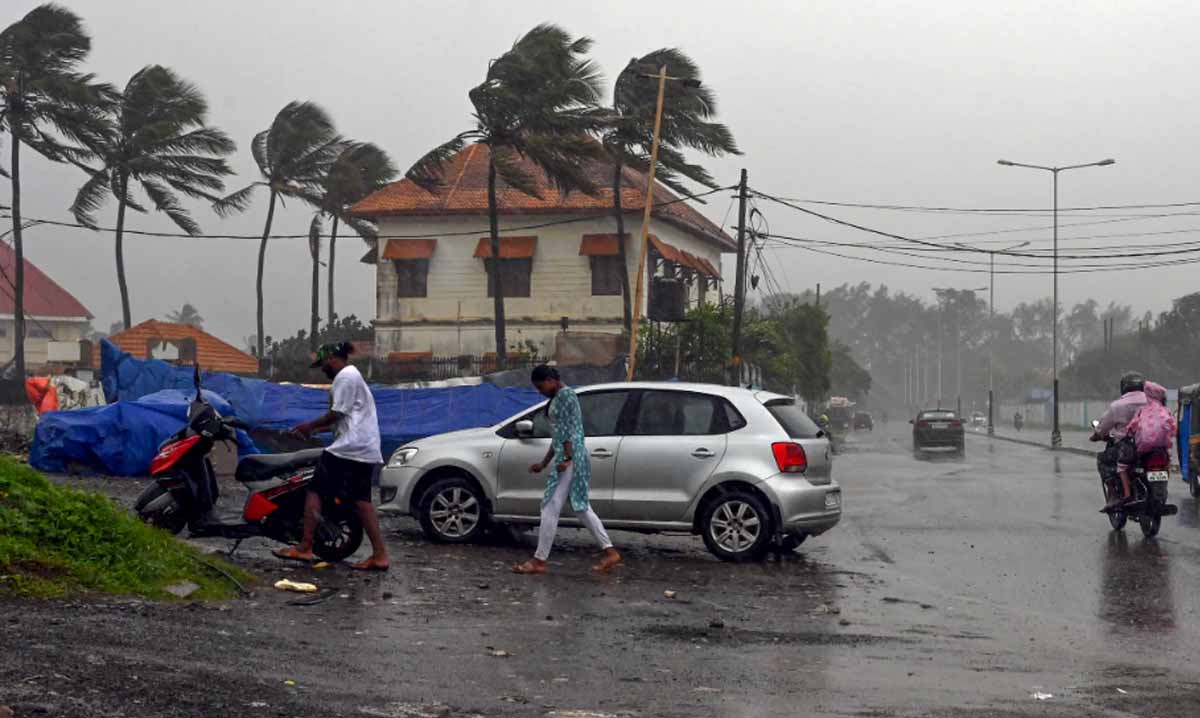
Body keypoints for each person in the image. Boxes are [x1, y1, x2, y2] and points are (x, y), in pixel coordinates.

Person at [274, 342, 390, 571]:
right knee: (362, 500)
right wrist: (313, 430)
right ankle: (380, 555)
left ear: (333, 359)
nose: (323, 369)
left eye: (324, 364)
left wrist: (309, 426)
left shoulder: (345, 377)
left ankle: (305, 547)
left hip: (350, 447)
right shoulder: (353, 376)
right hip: (363, 447)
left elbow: (336, 414)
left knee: (315, 489)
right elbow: (346, 419)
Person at [512, 365, 622, 575]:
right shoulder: (564, 396)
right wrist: (544, 463)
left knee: (549, 506)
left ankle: (539, 560)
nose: (540, 391)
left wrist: (568, 458)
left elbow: (566, 432)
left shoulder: (565, 396)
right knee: (581, 507)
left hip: (570, 459)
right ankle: (610, 552)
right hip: (572, 457)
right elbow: (559, 436)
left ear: (551, 379)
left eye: (541, 385)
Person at [1092, 371, 1148, 512]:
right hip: (1151, 446)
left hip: (1126, 447)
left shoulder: (1117, 406)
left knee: (1103, 460)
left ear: (1124, 387)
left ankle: (1114, 495)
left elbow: (1103, 427)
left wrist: (1096, 435)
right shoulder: (1152, 402)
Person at [1125, 380, 1176, 469]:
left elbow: (1134, 423)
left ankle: (1128, 482)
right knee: (1168, 458)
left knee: (1131, 463)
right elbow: (1172, 425)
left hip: (1144, 447)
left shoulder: (1143, 409)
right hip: (1162, 446)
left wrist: (1128, 431)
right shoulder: (1164, 410)